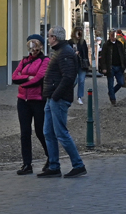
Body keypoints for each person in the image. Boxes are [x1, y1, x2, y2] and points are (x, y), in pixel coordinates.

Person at [39, 26, 87, 178]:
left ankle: (78, 165)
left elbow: (68, 77)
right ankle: (54, 166)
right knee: (48, 132)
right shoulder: (60, 51)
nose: (48, 39)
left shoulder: (65, 52)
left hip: (57, 98)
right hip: (51, 97)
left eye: (49, 36)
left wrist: (55, 96)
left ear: (55, 38)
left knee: (61, 133)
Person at [11, 34, 50, 175]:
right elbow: (14, 77)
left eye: (35, 45)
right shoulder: (24, 60)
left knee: (40, 131)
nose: (33, 48)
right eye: (30, 45)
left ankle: (50, 157)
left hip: (38, 100)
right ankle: (27, 164)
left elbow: (39, 78)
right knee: (25, 133)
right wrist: (27, 77)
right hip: (23, 101)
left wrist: (23, 81)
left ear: (40, 46)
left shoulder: (45, 60)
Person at [99, 30, 126, 105]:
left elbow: (123, 54)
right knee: (110, 83)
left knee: (121, 82)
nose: (114, 37)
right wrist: (104, 67)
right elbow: (103, 57)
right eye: (112, 36)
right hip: (110, 67)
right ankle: (113, 99)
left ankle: (111, 93)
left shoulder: (119, 44)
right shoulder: (106, 45)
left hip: (119, 66)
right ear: (110, 36)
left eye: (114, 36)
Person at [71, 27, 89, 104]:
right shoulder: (70, 42)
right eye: (78, 32)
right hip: (73, 64)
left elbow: (86, 53)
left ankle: (79, 96)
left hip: (82, 65)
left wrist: (87, 63)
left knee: (81, 81)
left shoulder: (83, 42)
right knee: (73, 81)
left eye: (80, 32)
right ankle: (69, 94)